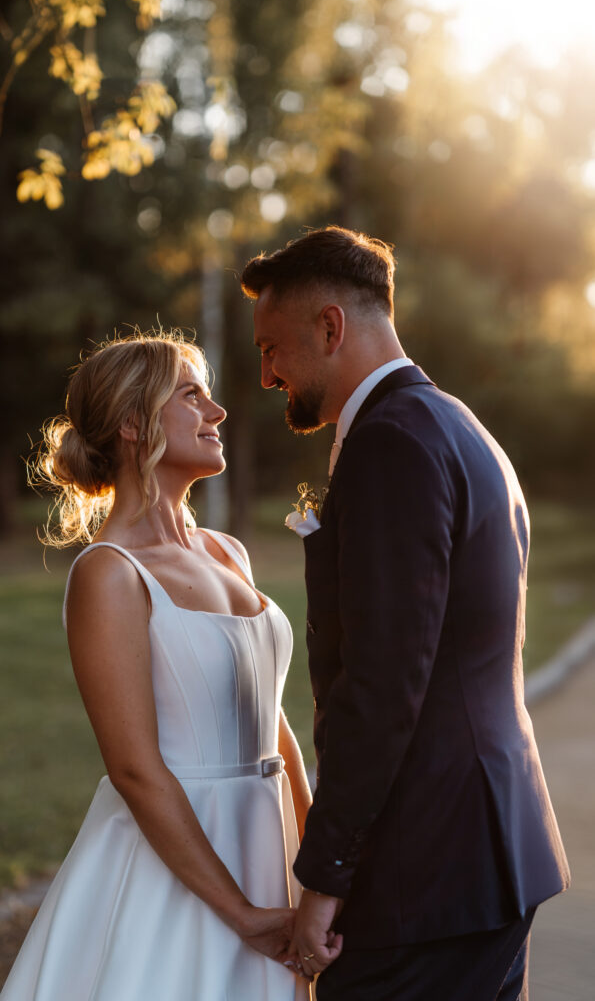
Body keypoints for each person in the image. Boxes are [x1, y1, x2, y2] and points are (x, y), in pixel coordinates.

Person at [241, 226, 570, 1001]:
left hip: (423, 875)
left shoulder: (390, 443)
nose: (265, 375)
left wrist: (323, 877)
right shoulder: (456, 424)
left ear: (330, 327)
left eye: (272, 348)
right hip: (484, 856)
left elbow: (382, 687)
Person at [0, 331, 316, 1001]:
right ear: (132, 423)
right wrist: (241, 914)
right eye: (191, 395)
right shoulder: (110, 574)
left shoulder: (227, 551)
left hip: (269, 844)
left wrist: (318, 861)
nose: (217, 411)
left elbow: (273, 723)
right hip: (181, 864)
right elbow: (136, 771)